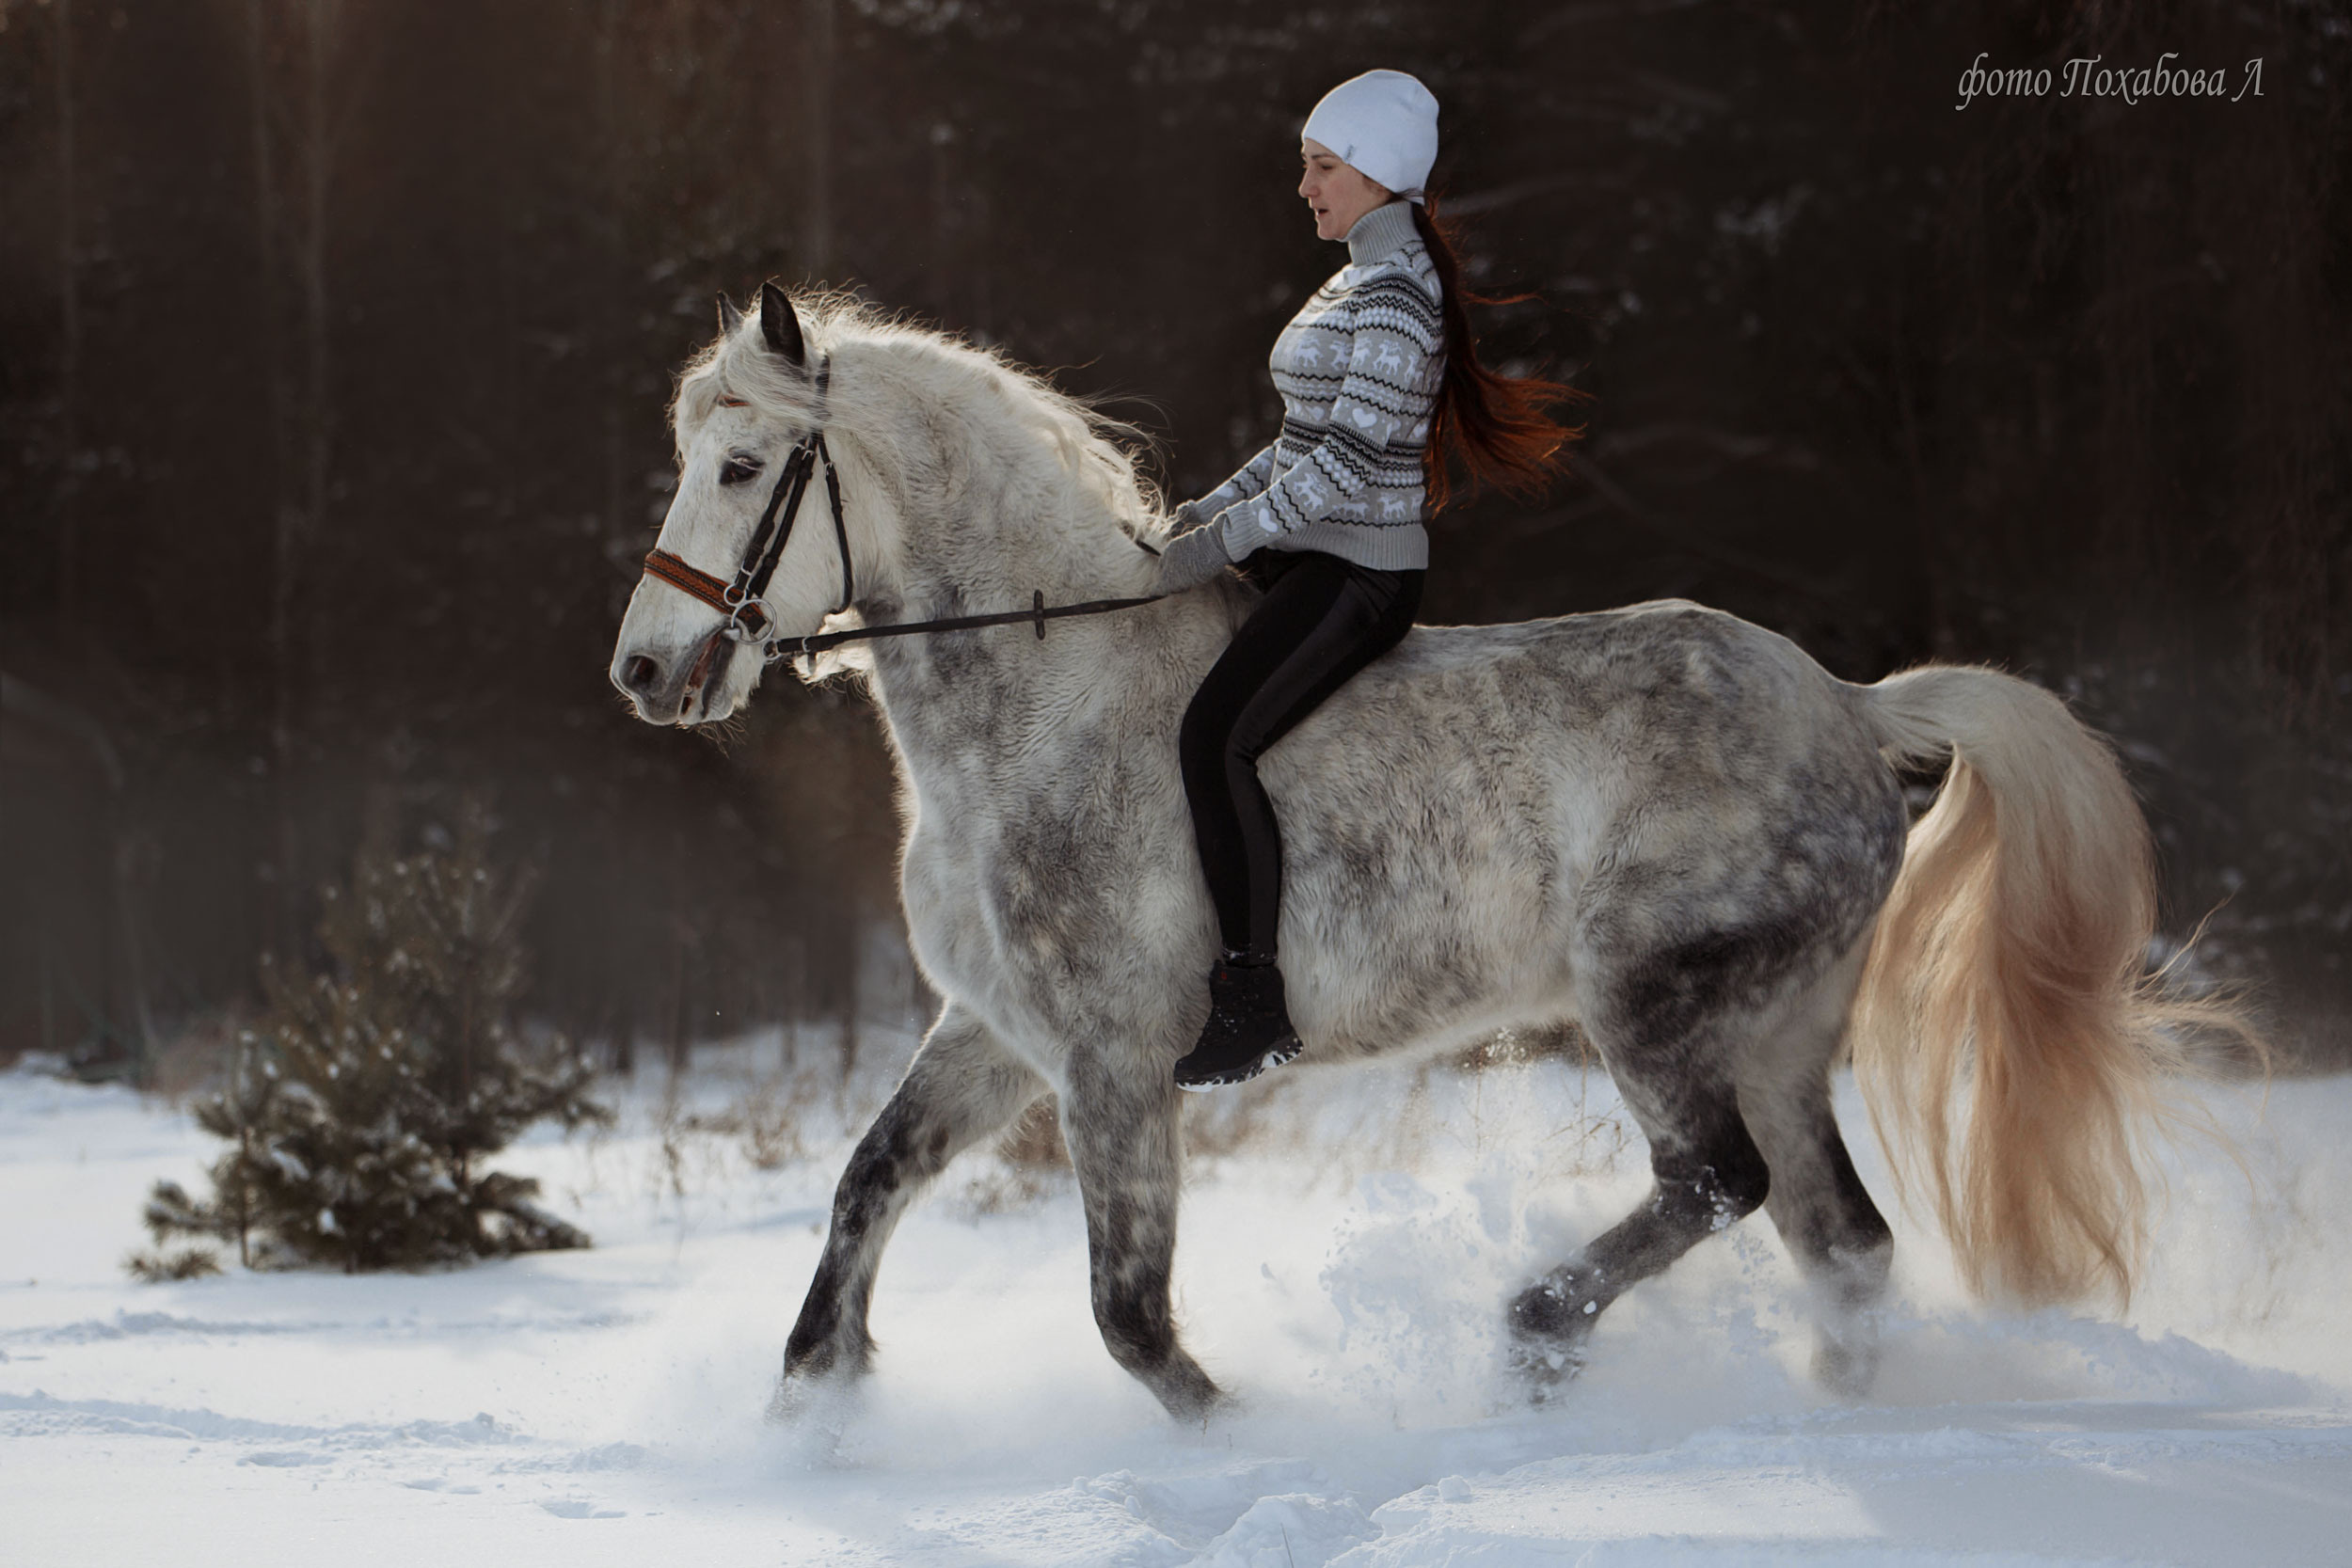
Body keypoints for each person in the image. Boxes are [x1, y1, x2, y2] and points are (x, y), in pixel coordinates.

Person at [1152, 69, 1585, 1090]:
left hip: (1360, 574)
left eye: (1321, 165)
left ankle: (1253, 996)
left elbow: (1344, 470)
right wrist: (1196, 516)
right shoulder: (1351, 275)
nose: (1303, 185)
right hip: (1310, 549)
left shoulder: (1394, 296)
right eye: (1306, 163)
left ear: (1379, 174)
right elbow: (1299, 444)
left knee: (1214, 736)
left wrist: (1216, 548)